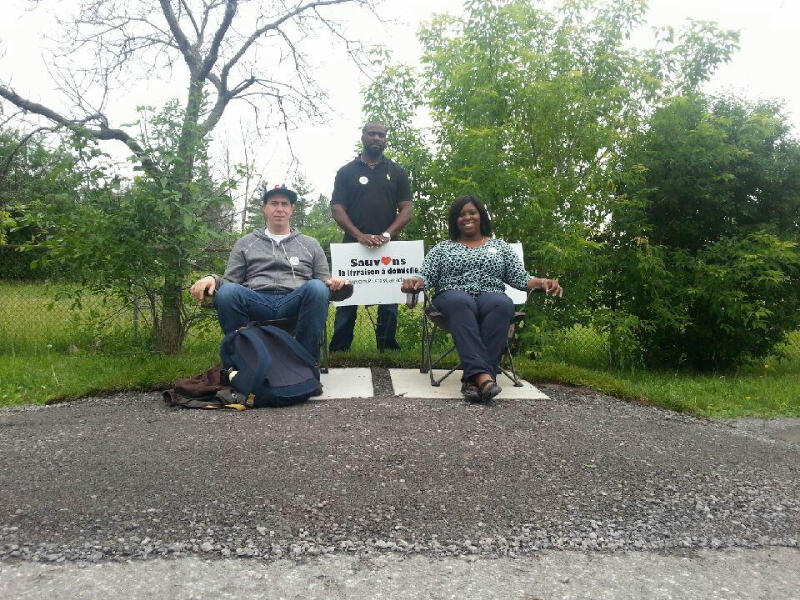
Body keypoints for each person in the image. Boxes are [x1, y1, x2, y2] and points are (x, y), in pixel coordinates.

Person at [401, 195, 563, 403]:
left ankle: (473, 381)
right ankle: (485, 376)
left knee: (502, 303)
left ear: (481, 216)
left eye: (472, 212)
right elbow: (426, 276)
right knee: (462, 302)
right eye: (461, 214)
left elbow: (521, 278)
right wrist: (414, 281)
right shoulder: (442, 248)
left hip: (490, 295)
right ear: (454, 220)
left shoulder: (501, 247)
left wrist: (542, 282)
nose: (467, 217)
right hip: (451, 297)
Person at [190, 185, 350, 363]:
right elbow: (230, 281)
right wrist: (212, 278)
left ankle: (305, 364)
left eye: (284, 204)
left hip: (295, 301)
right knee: (227, 293)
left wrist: (334, 282)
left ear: (291, 209)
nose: (279, 209)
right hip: (257, 300)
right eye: (274, 203)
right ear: (264, 208)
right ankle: (246, 364)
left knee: (317, 288)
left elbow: (323, 281)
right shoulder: (245, 243)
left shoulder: (310, 244)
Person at [328, 121, 413, 352]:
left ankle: (387, 347)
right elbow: (336, 208)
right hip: (352, 246)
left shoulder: (397, 172)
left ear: (386, 140)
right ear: (363, 136)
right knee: (346, 298)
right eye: (372, 134)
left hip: (388, 246)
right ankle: (339, 348)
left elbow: (407, 209)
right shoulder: (346, 172)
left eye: (381, 135)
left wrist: (387, 234)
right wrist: (359, 236)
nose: (377, 138)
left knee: (389, 299)